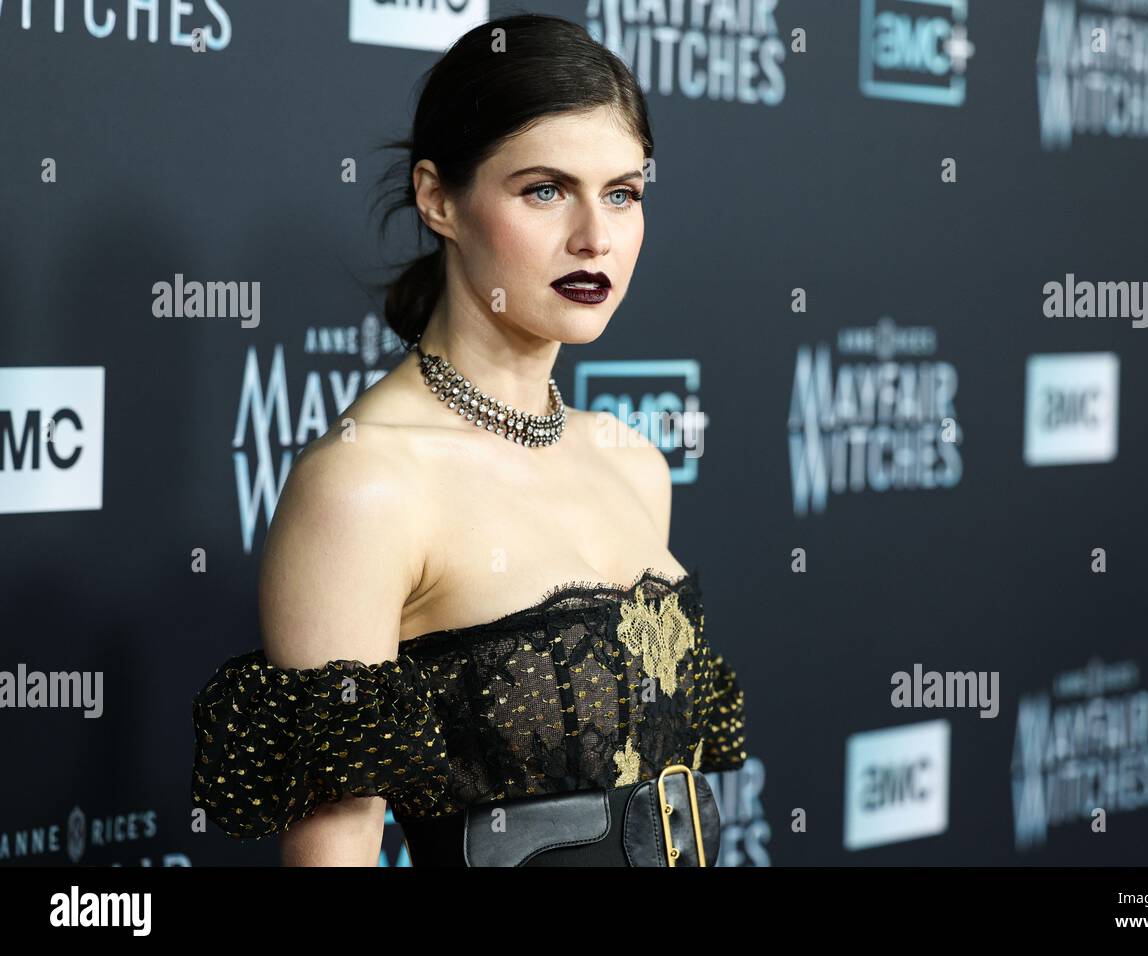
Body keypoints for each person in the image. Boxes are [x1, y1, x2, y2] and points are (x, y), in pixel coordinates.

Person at [190, 12, 746, 867]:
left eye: (623, 193)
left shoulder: (633, 462)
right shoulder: (366, 485)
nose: (595, 236)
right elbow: (336, 853)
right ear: (438, 199)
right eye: (545, 190)